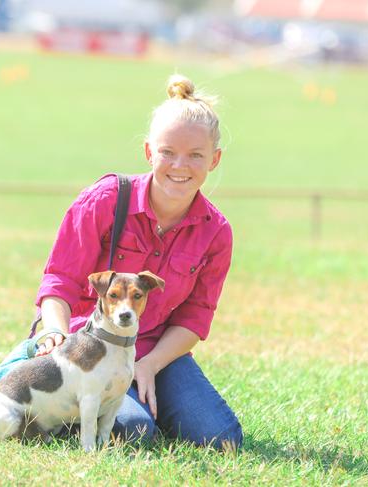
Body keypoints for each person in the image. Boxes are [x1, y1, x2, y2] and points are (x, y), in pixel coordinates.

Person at [29, 74, 243, 451]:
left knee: (221, 439)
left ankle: (137, 397)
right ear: (148, 152)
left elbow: (195, 317)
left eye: (196, 154)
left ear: (215, 159)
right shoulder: (106, 200)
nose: (180, 165)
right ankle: (48, 397)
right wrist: (55, 336)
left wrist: (150, 365)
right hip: (86, 341)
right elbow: (59, 282)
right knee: (133, 433)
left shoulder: (216, 232)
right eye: (167, 152)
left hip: (151, 348)